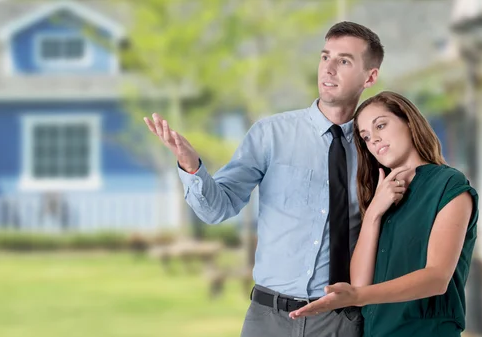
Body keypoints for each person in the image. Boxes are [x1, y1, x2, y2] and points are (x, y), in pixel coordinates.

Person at [144, 21, 383, 337]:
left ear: (370, 77)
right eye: (325, 57)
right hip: (268, 319)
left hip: (339, 321)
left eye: (344, 61)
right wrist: (191, 167)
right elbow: (218, 209)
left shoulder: (378, 148)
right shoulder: (271, 135)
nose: (328, 69)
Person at [289, 91, 479, 337]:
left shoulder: (448, 184)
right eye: (366, 137)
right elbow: (359, 283)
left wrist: (356, 297)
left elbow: (436, 278)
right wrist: (374, 213)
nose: (374, 140)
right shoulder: (379, 196)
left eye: (381, 125)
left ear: (409, 122)